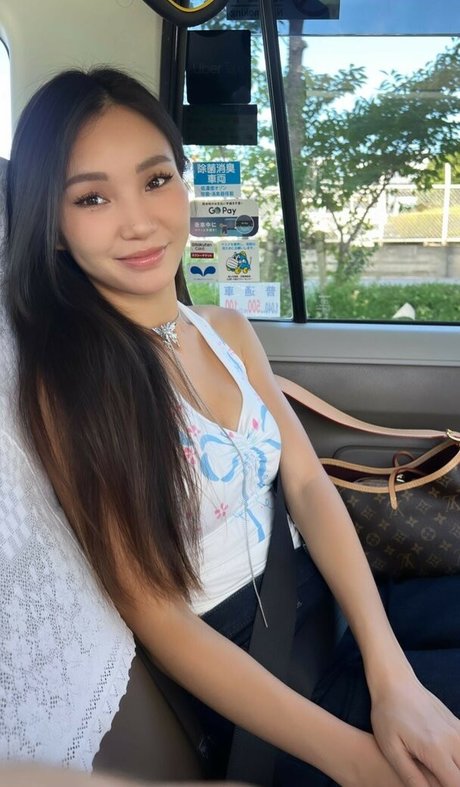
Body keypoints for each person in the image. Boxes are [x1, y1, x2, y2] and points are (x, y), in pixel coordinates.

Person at [4, 67, 460, 787]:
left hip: (329, 604)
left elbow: (306, 485)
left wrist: (392, 675)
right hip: (257, 680)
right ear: (52, 228)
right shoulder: (70, 387)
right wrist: (356, 760)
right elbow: (156, 614)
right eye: (92, 197)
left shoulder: (226, 330)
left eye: (156, 180)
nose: (139, 221)